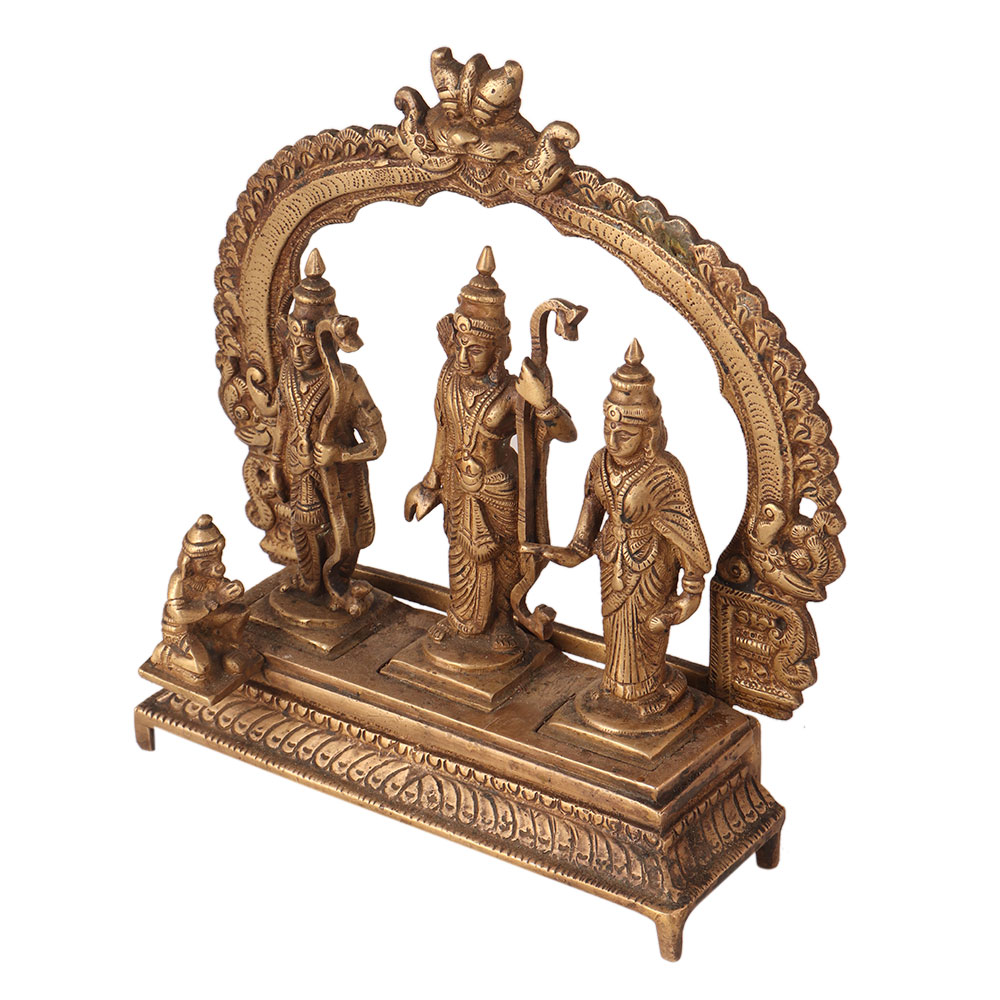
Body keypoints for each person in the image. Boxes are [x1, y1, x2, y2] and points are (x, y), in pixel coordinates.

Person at [524, 340, 711, 728]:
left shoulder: (664, 474)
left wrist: (687, 598)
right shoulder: (599, 464)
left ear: (648, 434)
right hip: (611, 560)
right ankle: (615, 687)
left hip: (651, 565)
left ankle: (651, 691)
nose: (613, 438)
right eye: (608, 427)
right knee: (614, 633)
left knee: (645, 635)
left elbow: (688, 541)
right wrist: (552, 552)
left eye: (625, 433)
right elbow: (582, 539)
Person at [404, 247, 575, 655]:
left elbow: (565, 432)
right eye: (460, 347)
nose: (464, 358)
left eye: (475, 350)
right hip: (457, 487)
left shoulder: (513, 391)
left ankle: (502, 618)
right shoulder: (449, 378)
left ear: (498, 349)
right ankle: (462, 619)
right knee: (460, 551)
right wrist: (430, 482)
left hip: (499, 490)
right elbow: (444, 431)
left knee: (501, 557)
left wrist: (542, 403)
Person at [270, 249, 386, 616]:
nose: (298, 354)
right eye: (293, 345)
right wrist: (275, 461)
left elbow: (377, 442)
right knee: (301, 529)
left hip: (337, 477)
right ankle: (310, 584)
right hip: (297, 469)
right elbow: (283, 421)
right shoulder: (287, 374)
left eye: (307, 347)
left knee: (340, 536)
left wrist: (341, 454)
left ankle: (338, 584)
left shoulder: (346, 382)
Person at [151, 515, 254, 678]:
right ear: (189, 563)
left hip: (204, 622)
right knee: (202, 668)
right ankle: (166, 654)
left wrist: (233, 590)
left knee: (240, 612)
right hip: (182, 632)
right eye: (206, 563)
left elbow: (221, 591)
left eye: (217, 559)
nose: (216, 566)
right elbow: (179, 615)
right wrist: (215, 601)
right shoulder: (179, 580)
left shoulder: (209, 575)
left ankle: (227, 646)